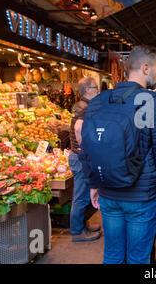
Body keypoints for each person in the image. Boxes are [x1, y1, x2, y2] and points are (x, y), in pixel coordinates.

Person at [88, 45, 156, 264]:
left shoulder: (99, 101)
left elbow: (89, 146)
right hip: (141, 197)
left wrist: (93, 184)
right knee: (138, 257)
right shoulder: (153, 102)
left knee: (113, 253)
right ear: (145, 68)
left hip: (108, 192)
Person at [69, 76, 101, 242]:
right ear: (88, 90)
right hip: (80, 158)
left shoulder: (81, 105)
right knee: (81, 196)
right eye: (96, 87)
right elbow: (78, 128)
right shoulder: (85, 107)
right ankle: (77, 231)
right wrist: (83, 149)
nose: (98, 90)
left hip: (77, 156)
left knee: (83, 195)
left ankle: (82, 224)